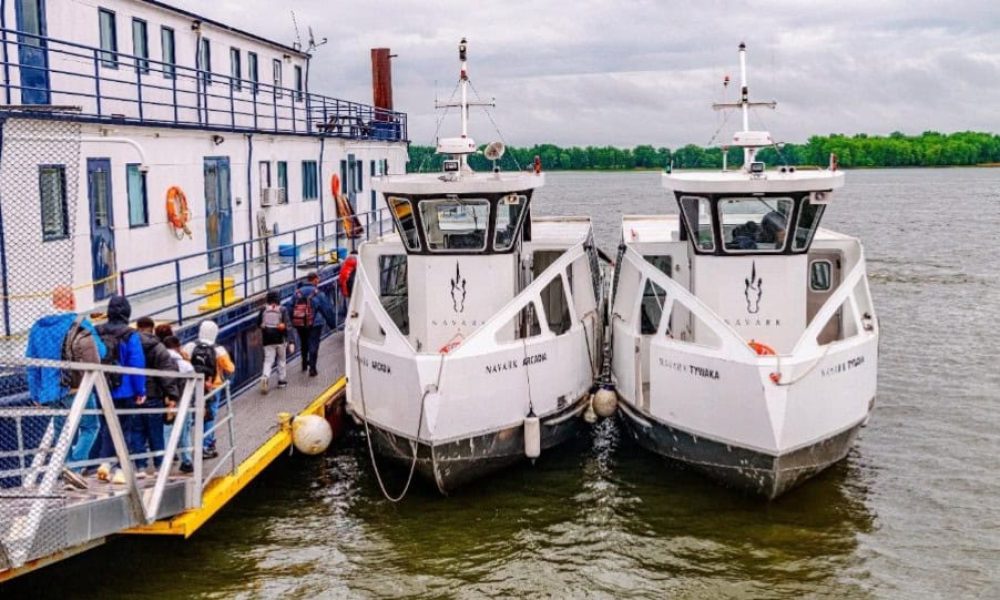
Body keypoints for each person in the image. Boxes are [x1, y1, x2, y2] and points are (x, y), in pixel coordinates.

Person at [25, 285, 106, 475]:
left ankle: (66, 468)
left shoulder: (37, 327)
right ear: (70, 301)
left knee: (63, 433)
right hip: (75, 387)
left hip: (49, 391)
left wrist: (35, 392)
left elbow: (31, 363)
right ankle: (74, 469)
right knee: (90, 426)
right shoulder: (79, 322)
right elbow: (100, 351)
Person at [95, 295, 146, 481]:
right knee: (125, 429)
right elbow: (136, 364)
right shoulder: (129, 334)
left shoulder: (97, 331)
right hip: (124, 390)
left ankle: (106, 462)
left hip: (102, 387)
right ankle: (120, 470)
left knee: (106, 426)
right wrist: (140, 391)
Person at [132, 317, 180, 474]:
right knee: (155, 432)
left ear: (138, 327)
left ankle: (140, 467)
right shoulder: (158, 347)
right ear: (152, 329)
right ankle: (159, 465)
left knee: (137, 431)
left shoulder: (130, 344)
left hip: (135, 395)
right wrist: (172, 396)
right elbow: (167, 373)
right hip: (153, 396)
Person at [183, 320, 234, 459]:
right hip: (213, 387)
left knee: (194, 415)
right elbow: (230, 368)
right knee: (210, 415)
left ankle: (189, 449)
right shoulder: (219, 349)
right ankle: (206, 446)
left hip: (193, 386)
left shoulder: (189, 346)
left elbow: (184, 363)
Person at [292, 272, 337, 377]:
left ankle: (304, 364)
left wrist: (293, 322)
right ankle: (312, 368)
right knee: (314, 345)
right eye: (318, 279)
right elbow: (327, 309)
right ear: (315, 280)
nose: (319, 280)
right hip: (315, 323)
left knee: (304, 343)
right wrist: (333, 325)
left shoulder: (297, 293)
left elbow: (290, 307)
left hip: (300, 323)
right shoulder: (318, 293)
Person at [162, 336, 194, 473]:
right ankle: (187, 461)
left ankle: (165, 461)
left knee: (166, 431)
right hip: (183, 401)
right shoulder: (185, 365)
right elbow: (193, 384)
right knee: (184, 432)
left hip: (166, 402)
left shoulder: (160, 362)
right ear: (178, 347)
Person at [258, 291, 294, 393]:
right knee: (281, 360)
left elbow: (258, 324)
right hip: (280, 339)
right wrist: (291, 341)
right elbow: (288, 325)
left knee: (268, 361)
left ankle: (265, 377)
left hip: (267, 340)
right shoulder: (282, 309)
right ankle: (281, 381)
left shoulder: (263, 309)